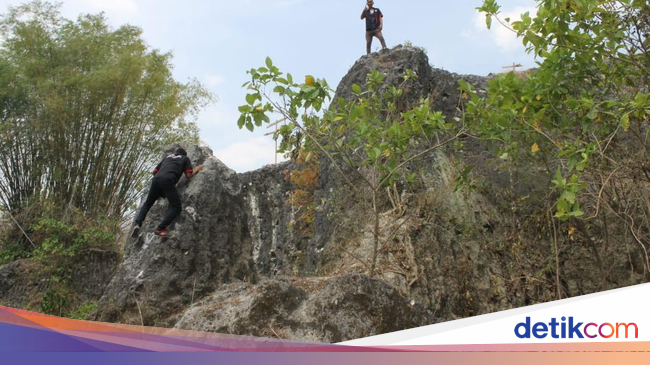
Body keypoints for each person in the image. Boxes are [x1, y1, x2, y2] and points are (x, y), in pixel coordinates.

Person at [131, 148, 204, 237]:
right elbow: (189, 175)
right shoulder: (185, 158)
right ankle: (160, 228)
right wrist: (197, 169)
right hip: (168, 180)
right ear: (184, 154)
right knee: (177, 207)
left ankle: (138, 224)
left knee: (148, 203)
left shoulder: (167, 158)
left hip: (156, 180)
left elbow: (154, 172)